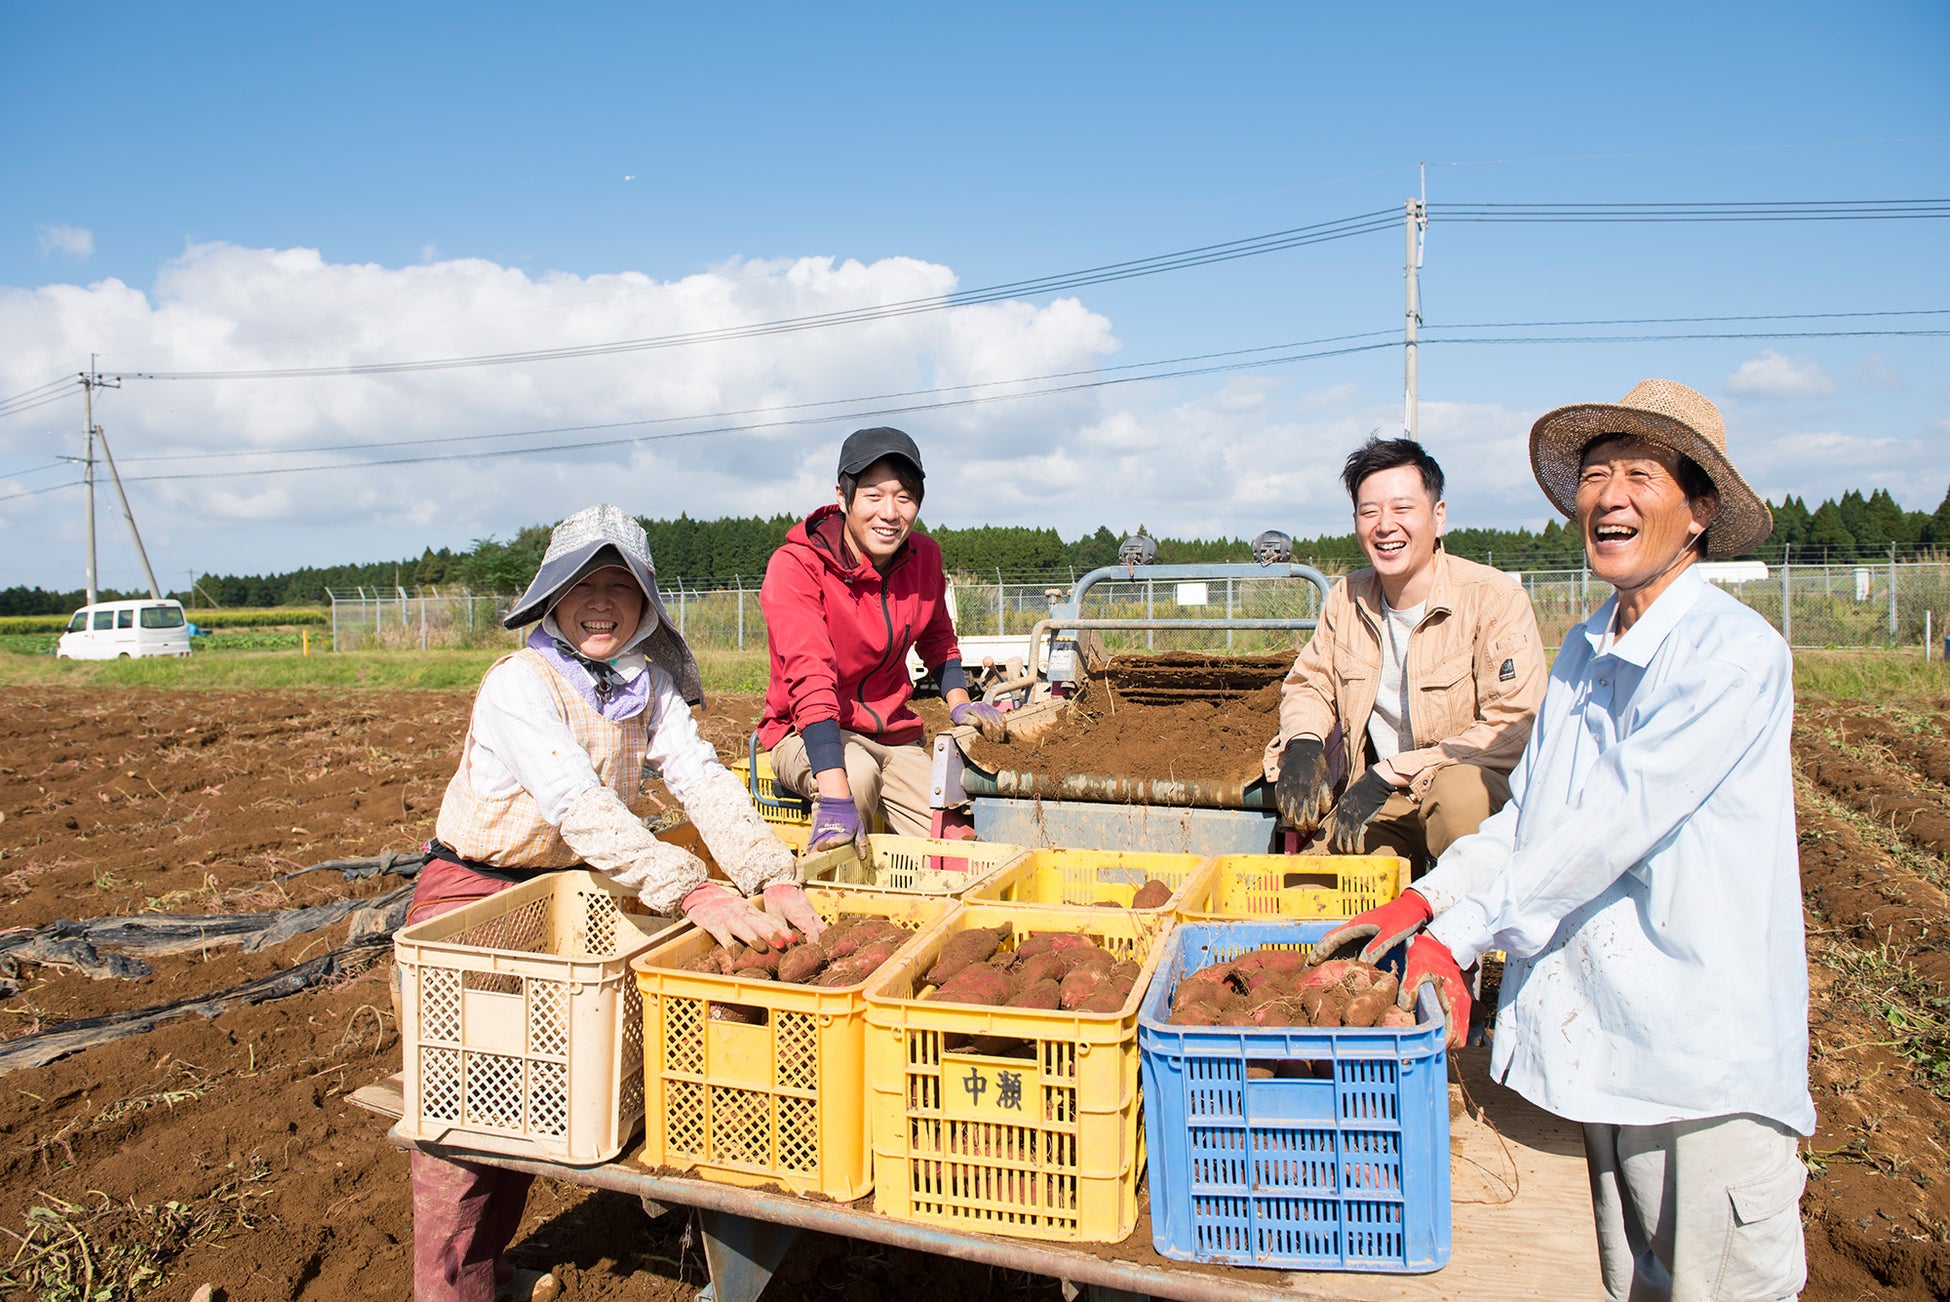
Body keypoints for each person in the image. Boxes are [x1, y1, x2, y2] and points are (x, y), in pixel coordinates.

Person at [1319, 380, 1812, 1300]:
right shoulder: (1586, 649)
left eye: (1640, 476)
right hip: (1614, 1047)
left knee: (1717, 1284)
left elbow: (1605, 829)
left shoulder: (1729, 657)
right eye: (1595, 476)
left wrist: (1457, 935)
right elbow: (1532, 820)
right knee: (1637, 1282)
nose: (1610, 496)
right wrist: (1427, 898)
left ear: (1699, 511)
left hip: (1701, 1053)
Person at [407, 503, 823, 1302]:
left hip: (574, 893)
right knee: (464, 1106)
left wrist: (770, 871)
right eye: (583, 585)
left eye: (620, 587)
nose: (602, 602)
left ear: (645, 606)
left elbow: (701, 780)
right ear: (553, 598)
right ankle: (452, 1290)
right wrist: (690, 887)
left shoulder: (647, 684)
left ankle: (490, 1271)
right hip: (476, 893)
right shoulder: (518, 684)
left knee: (538, 1092)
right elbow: (577, 802)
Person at [1263, 437, 1547, 869]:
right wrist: (1303, 743)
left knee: (1459, 794)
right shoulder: (1347, 598)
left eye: (1402, 508)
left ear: (1439, 516)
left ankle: (1474, 925)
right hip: (1380, 797)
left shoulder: (1492, 598)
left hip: (1476, 801)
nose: (1384, 525)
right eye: (1369, 511)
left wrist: (1393, 771)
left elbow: (1513, 725)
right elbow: (1311, 683)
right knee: (1318, 881)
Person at [758, 426, 1005, 851]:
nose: (889, 513)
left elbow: (938, 638)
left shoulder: (923, 556)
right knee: (855, 777)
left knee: (956, 835)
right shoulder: (797, 565)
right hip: (808, 731)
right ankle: (834, 901)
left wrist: (960, 703)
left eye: (904, 498)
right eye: (873, 496)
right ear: (843, 497)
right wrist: (837, 795)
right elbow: (810, 675)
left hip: (892, 735)